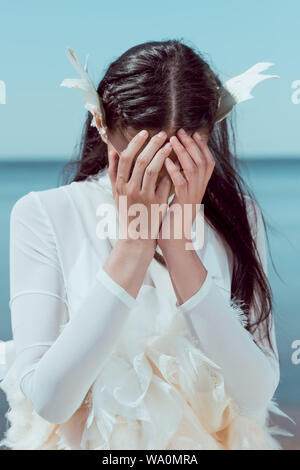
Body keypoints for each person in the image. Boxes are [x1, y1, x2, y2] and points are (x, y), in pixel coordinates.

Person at [0, 40, 288, 450]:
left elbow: (254, 394)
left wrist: (178, 247)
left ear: (205, 142)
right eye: (140, 157)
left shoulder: (239, 219)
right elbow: (48, 400)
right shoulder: (45, 215)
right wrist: (134, 244)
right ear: (102, 127)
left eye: (176, 159)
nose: (157, 177)